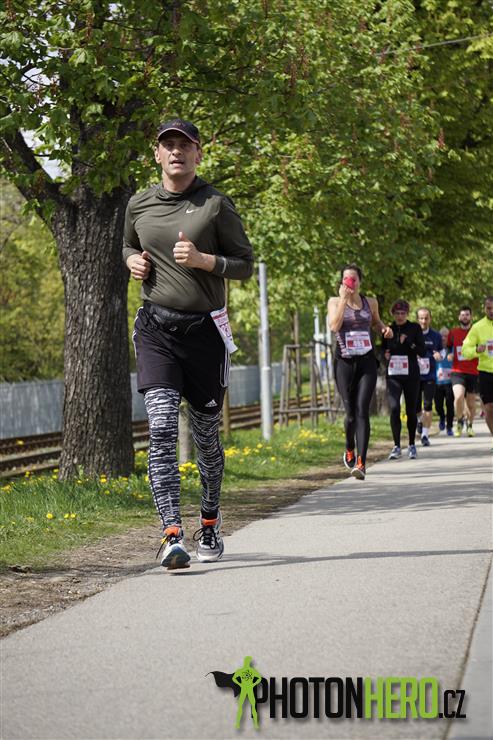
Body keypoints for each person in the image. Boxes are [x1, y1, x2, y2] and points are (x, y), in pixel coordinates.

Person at [123, 118, 254, 569]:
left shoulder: (215, 204)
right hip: (156, 329)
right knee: (160, 426)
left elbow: (244, 264)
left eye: (185, 144)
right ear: (157, 154)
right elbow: (127, 245)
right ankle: (171, 534)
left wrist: (204, 260)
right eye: (169, 144)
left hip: (206, 335)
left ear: (198, 153)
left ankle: (210, 522)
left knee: (205, 438)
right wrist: (132, 262)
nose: (176, 151)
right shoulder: (139, 204)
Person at [328, 264, 393, 480]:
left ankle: (361, 463)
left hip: (366, 361)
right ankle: (349, 448)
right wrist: (343, 300)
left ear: (360, 282)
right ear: (341, 282)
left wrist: (383, 329)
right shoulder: (334, 302)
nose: (350, 283)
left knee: (362, 410)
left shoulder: (370, 302)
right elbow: (334, 326)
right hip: (344, 363)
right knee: (350, 414)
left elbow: (375, 322)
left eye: (353, 279)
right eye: (346, 279)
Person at [383, 300, 425, 460]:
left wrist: (408, 342)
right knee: (394, 408)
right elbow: (383, 348)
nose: (400, 316)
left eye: (403, 313)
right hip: (394, 374)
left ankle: (412, 444)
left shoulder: (414, 328)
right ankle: (396, 446)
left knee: (411, 410)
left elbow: (422, 351)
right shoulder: (389, 329)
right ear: (393, 314)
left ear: (407, 314)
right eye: (397, 314)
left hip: (411, 375)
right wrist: (385, 353)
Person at [461, 296, 493, 439]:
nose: (492, 311)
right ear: (484, 309)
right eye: (489, 308)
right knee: (489, 408)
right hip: (486, 373)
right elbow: (465, 350)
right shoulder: (478, 327)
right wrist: (476, 350)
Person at [447, 306, 479, 437]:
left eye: (467, 315)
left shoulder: (476, 331)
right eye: (462, 315)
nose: (465, 317)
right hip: (457, 370)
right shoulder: (453, 332)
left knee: (471, 403)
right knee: (459, 397)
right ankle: (459, 420)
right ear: (459, 317)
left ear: (471, 317)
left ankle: (470, 425)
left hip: (474, 371)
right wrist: (449, 354)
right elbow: (448, 347)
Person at [415, 308, 442, 446]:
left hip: (429, 375)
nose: (423, 321)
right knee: (415, 406)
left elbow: (441, 351)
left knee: (428, 404)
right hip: (414, 376)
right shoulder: (412, 334)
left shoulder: (436, 336)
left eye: (426, 318)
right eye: (421, 318)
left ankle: (425, 435)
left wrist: (439, 355)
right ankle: (420, 420)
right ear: (417, 319)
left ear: (430, 319)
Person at [434, 327, 454, 436]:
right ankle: (442, 417)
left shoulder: (452, 349)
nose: (443, 338)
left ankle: (449, 427)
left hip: (450, 382)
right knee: (438, 406)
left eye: (446, 336)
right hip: (437, 382)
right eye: (441, 336)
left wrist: (453, 356)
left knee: (450, 405)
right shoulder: (435, 349)